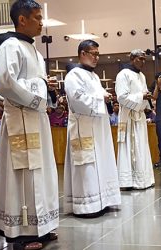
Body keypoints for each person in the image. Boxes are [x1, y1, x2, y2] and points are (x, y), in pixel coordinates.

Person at [0, 1, 59, 249]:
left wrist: (46, 87)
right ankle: (21, 232)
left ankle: (43, 226)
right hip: (20, 119)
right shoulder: (10, 45)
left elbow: (33, 82)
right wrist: (40, 86)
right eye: (37, 17)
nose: (42, 22)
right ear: (22, 19)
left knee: (42, 173)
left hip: (36, 118)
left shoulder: (36, 51)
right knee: (23, 175)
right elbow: (5, 83)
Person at [63, 40, 121, 217]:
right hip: (84, 127)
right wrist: (100, 98)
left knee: (101, 162)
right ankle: (86, 205)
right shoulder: (74, 75)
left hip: (99, 127)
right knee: (86, 164)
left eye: (98, 54)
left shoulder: (94, 77)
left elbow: (96, 95)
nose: (96, 57)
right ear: (82, 53)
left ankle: (104, 199)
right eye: (92, 53)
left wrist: (105, 96)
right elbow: (77, 100)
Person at [115, 49, 155, 190]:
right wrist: (140, 97)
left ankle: (143, 179)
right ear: (132, 58)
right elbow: (121, 97)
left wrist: (146, 98)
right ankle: (128, 181)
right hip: (128, 117)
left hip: (139, 115)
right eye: (140, 59)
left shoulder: (142, 76)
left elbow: (142, 93)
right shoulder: (123, 74)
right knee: (130, 146)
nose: (143, 62)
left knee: (141, 145)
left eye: (144, 59)